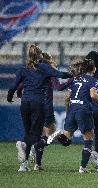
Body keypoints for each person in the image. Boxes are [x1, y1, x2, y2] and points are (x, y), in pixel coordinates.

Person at [7, 44, 71, 172]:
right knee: (41, 135)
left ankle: (24, 165)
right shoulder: (45, 69)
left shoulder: (23, 69)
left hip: (25, 103)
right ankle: (27, 147)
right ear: (40, 55)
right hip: (39, 104)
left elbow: (15, 86)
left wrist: (11, 97)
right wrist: (73, 75)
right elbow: (59, 77)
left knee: (29, 132)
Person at [48, 59, 98, 173]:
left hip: (72, 109)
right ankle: (83, 167)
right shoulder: (92, 80)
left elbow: (67, 98)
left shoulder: (75, 79)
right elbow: (93, 95)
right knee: (88, 140)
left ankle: (57, 134)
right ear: (93, 69)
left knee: (66, 141)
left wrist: (68, 112)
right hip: (84, 110)